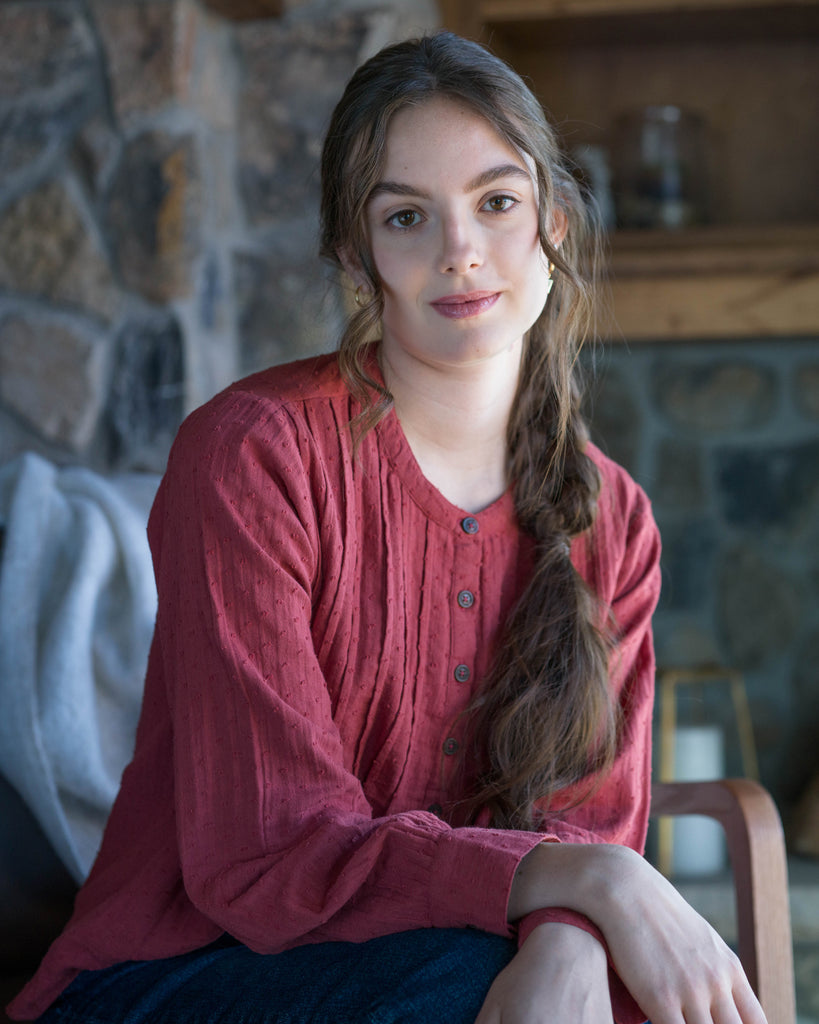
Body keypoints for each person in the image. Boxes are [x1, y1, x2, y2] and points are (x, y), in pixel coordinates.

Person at [9, 31, 765, 1024]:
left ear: (556, 228)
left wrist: (574, 933)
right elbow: (271, 852)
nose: (461, 249)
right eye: (407, 216)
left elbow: (591, 821)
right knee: (473, 986)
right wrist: (597, 888)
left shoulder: (611, 516)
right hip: (172, 977)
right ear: (358, 259)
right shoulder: (253, 456)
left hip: (446, 968)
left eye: (497, 202)